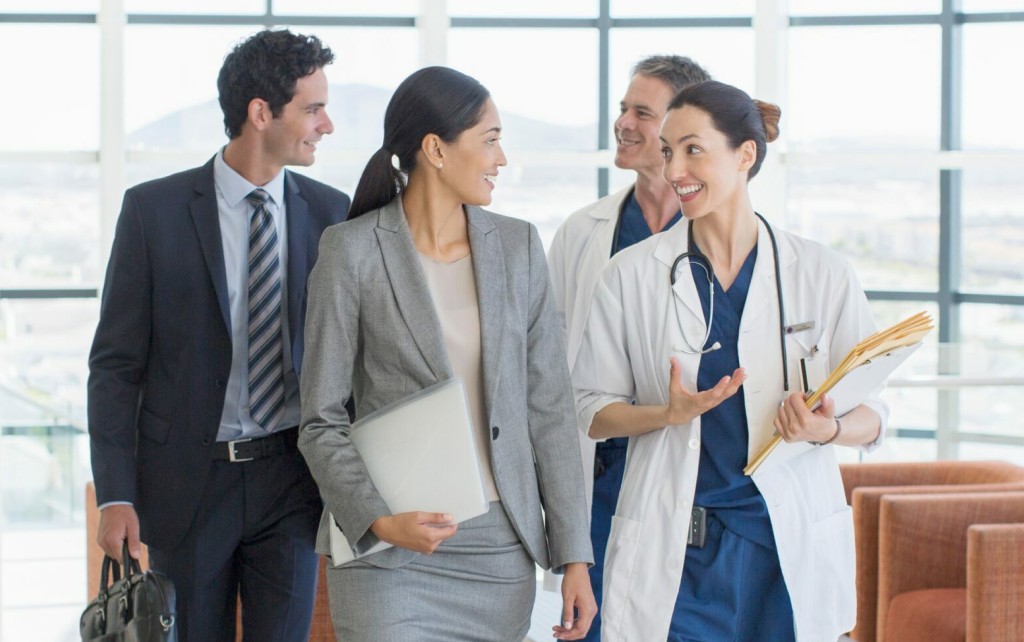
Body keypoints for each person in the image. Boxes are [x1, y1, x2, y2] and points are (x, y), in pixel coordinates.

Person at [571, 80, 890, 642]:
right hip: (678, 558)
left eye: (694, 149)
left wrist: (827, 427)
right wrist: (664, 414)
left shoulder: (820, 272)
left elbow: (875, 415)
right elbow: (591, 410)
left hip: (784, 551)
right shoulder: (631, 273)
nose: (675, 169)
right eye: (668, 151)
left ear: (745, 155)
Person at [298, 66, 595, 642]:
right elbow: (320, 419)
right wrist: (378, 520)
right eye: (489, 140)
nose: (501, 159)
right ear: (435, 148)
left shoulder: (518, 247)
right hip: (387, 553)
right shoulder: (351, 251)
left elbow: (551, 412)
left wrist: (574, 558)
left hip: (499, 553)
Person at [88, 30, 348, 642]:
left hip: (291, 480)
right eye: (313, 108)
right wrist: (114, 495)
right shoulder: (154, 212)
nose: (326, 125)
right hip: (188, 483)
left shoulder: (332, 214)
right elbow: (116, 366)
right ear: (262, 113)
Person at [546, 54, 709, 640]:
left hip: (686, 487)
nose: (624, 123)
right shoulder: (582, 232)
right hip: (598, 481)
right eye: (623, 109)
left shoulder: (718, 235)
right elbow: (553, 371)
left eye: (642, 111)